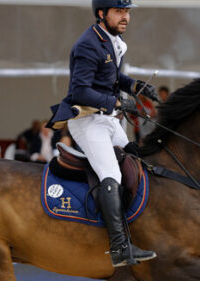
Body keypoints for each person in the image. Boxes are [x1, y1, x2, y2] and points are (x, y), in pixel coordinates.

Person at [47, 0, 159, 267]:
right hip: (87, 121)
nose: (125, 18)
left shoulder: (108, 38)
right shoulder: (88, 44)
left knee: (135, 157)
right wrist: (119, 103)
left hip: (107, 120)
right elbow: (81, 91)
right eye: (119, 12)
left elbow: (111, 76)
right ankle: (119, 247)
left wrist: (136, 86)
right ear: (101, 13)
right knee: (112, 174)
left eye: (127, 12)